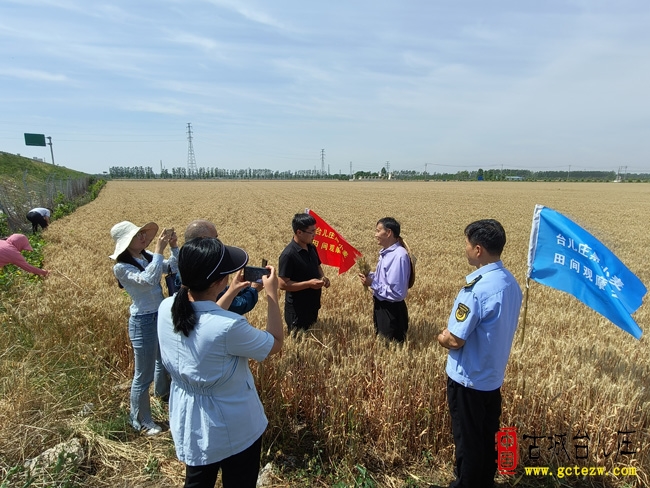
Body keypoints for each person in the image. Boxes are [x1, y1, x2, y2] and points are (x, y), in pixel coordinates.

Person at [157, 237, 283, 488]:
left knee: (197, 481)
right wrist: (272, 296)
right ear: (218, 282)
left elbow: (208, 316)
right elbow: (275, 343)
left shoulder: (167, 307)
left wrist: (234, 289)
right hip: (233, 422)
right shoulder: (229, 327)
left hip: (189, 417)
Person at [437, 219, 522, 488]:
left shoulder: (476, 289)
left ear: (478, 249)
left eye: (466, 244)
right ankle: (485, 482)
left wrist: (441, 336)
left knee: (468, 440)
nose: (464, 249)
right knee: (487, 437)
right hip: (492, 377)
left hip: (468, 380)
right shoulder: (510, 282)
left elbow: (455, 340)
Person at [109, 220, 178, 436]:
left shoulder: (146, 256)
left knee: (163, 361)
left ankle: (161, 395)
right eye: (137, 235)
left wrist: (174, 246)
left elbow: (173, 267)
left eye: (142, 233)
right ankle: (140, 420)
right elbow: (149, 280)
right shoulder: (121, 267)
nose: (142, 237)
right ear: (126, 242)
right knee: (143, 374)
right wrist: (158, 250)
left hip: (161, 316)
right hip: (143, 322)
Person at [176, 219, 261, 314]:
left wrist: (237, 289)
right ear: (204, 239)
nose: (218, 241)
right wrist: (254, 290)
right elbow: (233, 306)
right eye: (215, 238)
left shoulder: (185, 264)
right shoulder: (207, 269)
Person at [358, 217, 411, 342]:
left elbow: (397, 292)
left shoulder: (399, 256)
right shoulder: (386, 252)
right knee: (382, 344)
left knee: (389, 347)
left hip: (391, 310)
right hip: (381, 306)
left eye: (378, 231)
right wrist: (370, 275)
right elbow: (384, 278)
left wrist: (372, 284)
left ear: (388, 233)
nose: (376, 235)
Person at [278, 213, 330, 333]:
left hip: (313, 304)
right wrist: (308, 284)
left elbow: (317, 266)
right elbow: (282, 284)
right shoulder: (288, 255)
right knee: (298, 341)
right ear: (299, 232)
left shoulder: (311, 247)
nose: (314, 235)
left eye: (315, 231)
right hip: (297, 309)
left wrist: (323, 277)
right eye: (311, 232)